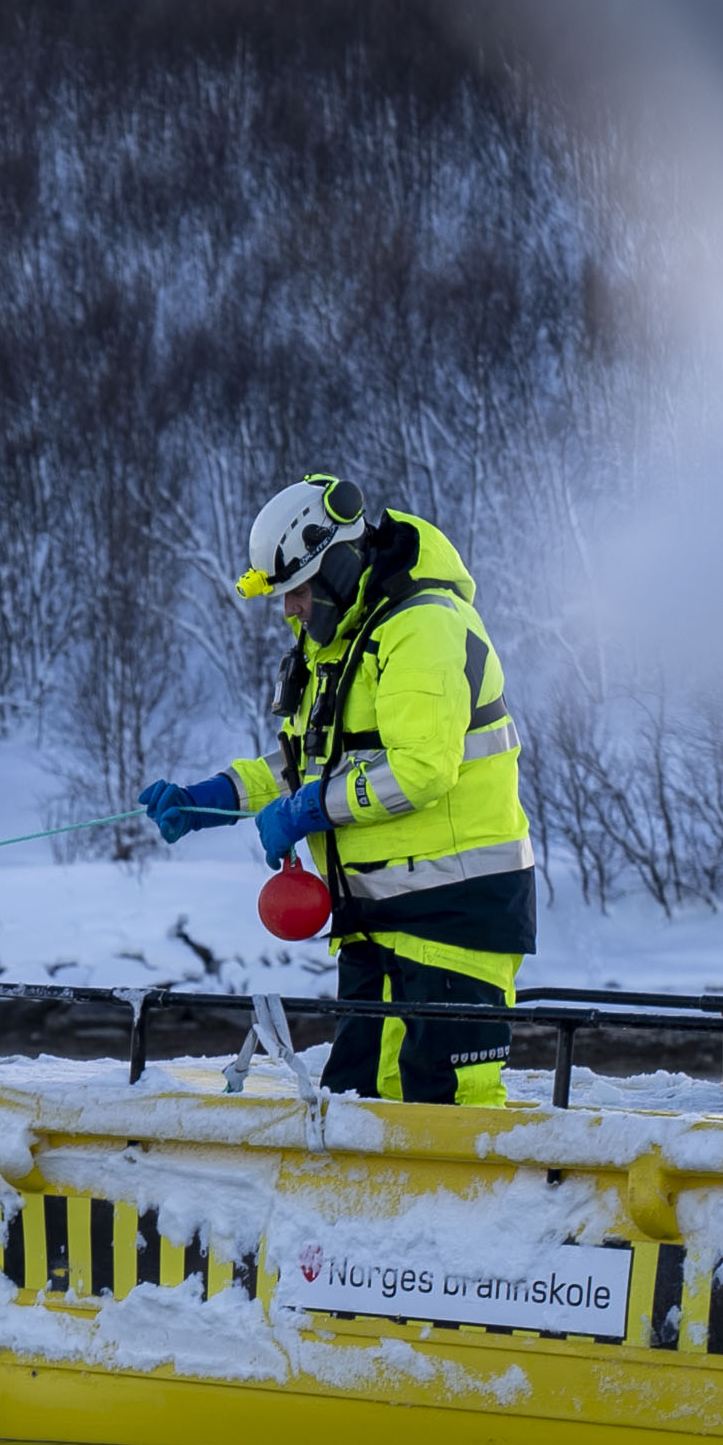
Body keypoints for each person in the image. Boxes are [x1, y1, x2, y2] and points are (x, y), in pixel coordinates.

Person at [139, 473, 535, 1105]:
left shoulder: (422, 626)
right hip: (372, 919)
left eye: (297, 591)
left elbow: (419, 770)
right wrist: (221, 794)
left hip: (455, 913)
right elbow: (315, 760)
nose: (291, 609)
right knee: (355, 1103)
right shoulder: (337, 643)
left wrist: (304, 810)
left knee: (445, 1111)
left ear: (341, 564)